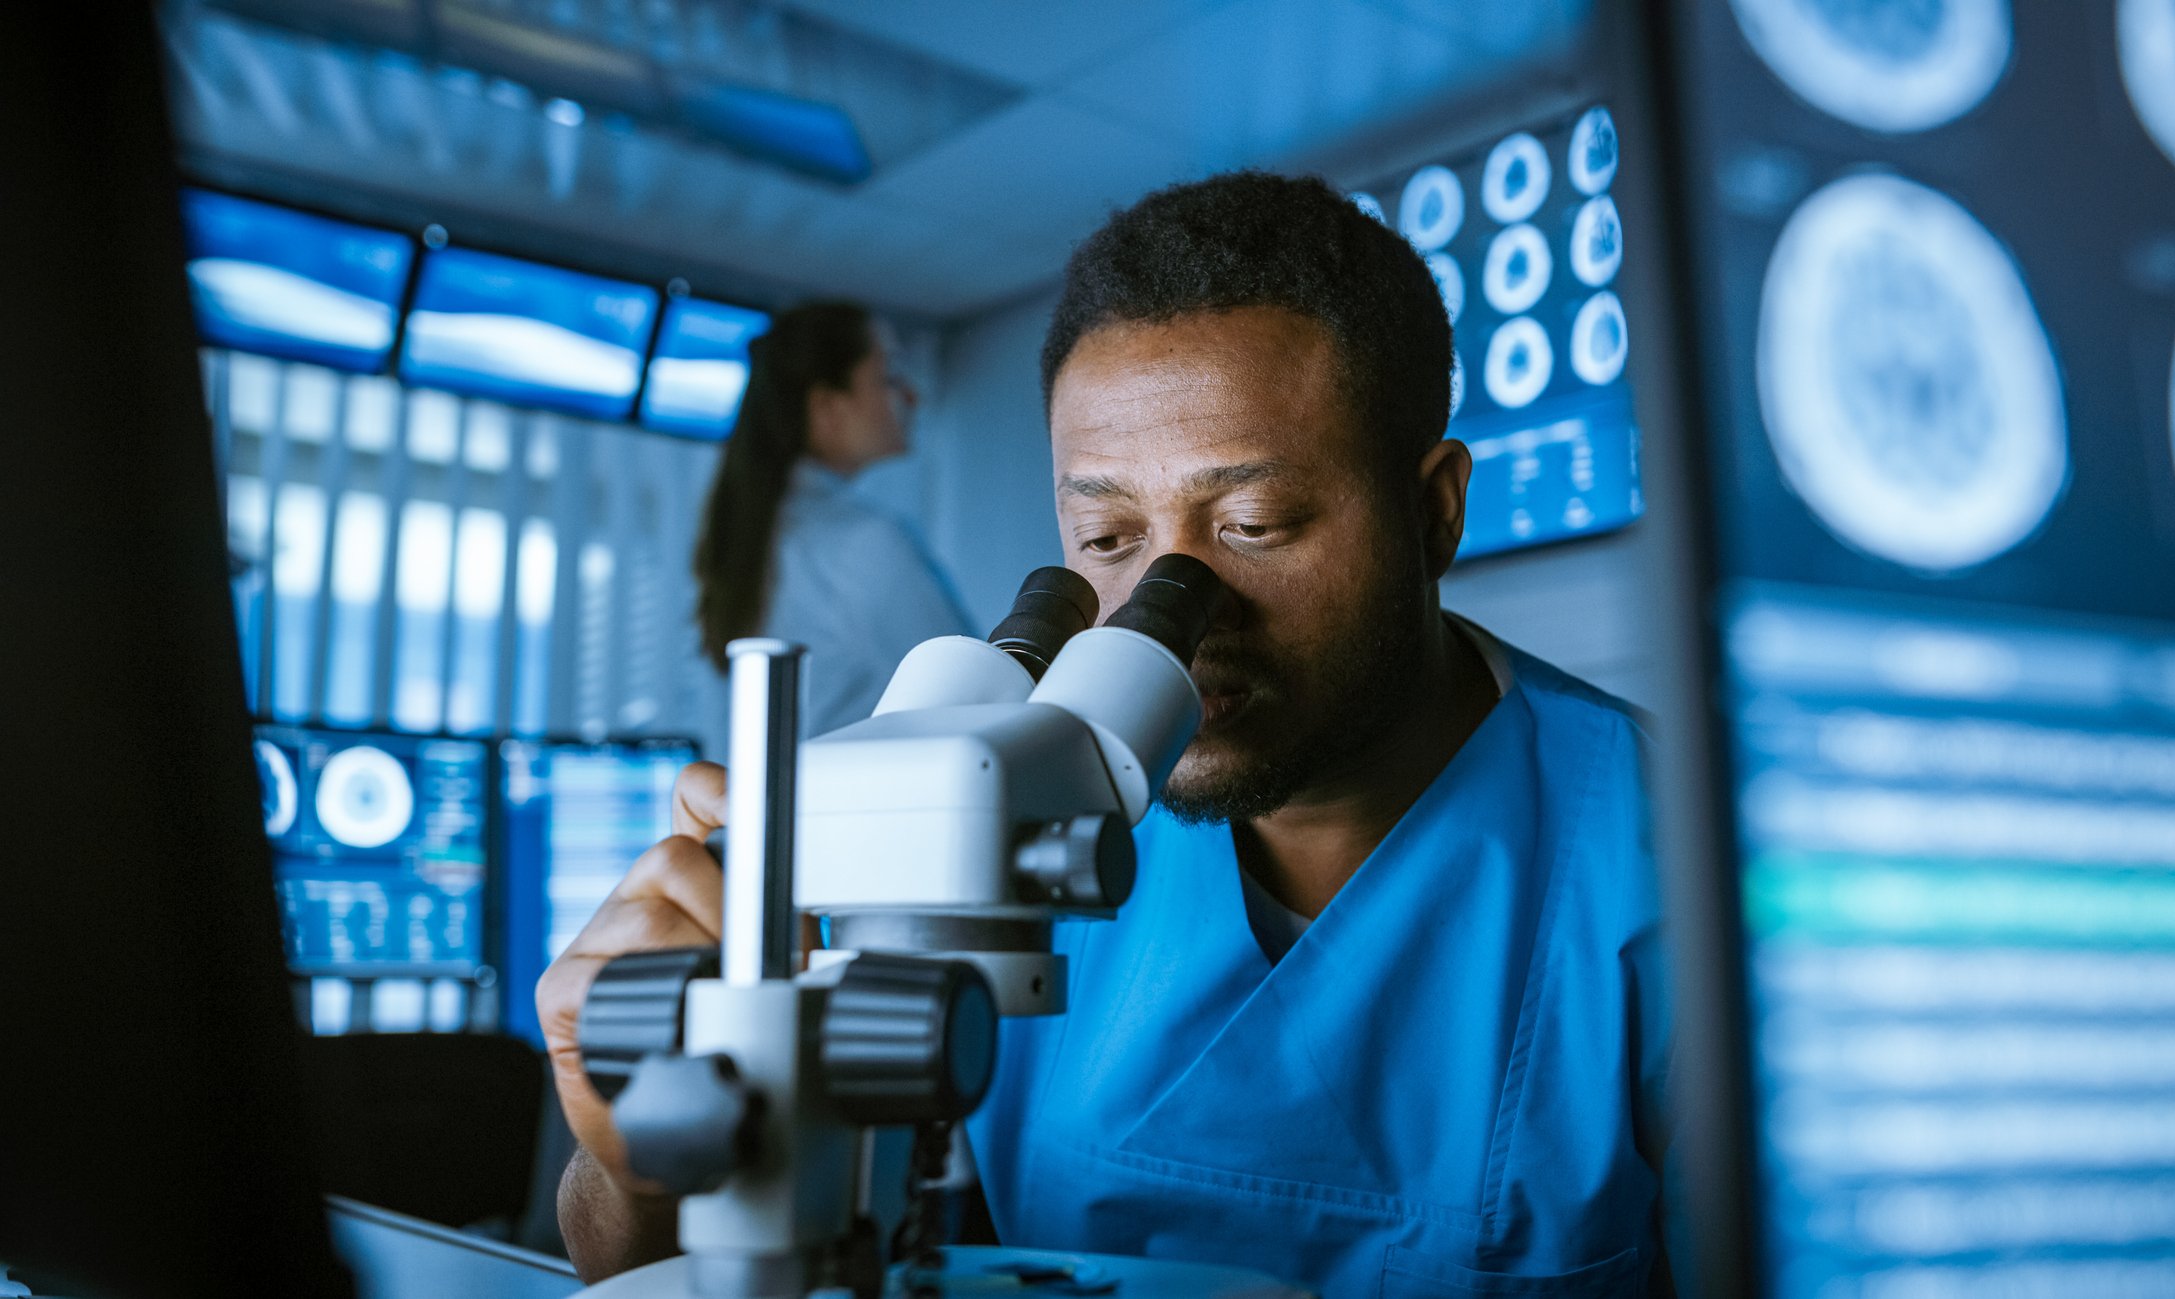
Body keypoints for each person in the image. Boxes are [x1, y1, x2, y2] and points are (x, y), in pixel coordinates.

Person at [543, 174, 1671, 1296]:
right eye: (1106, 535)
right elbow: (705, 1263)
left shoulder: (1674, 864)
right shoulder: (1006, 819)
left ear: (1432, 510)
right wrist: (640, 1148)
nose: (1168, 613)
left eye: (1253, 525)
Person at [691, 300, 972, 740]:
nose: (911, 396)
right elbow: (975, 700)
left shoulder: (756, 537)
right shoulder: (860, 541)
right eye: (889, 377)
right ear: (827, 407)